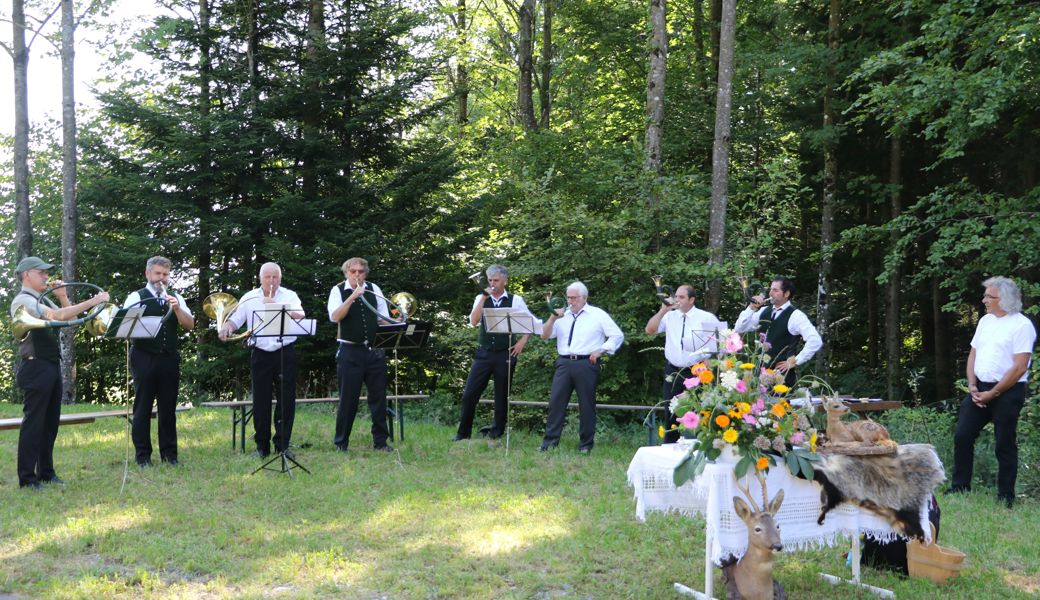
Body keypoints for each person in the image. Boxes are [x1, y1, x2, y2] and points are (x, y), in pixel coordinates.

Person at [11, 256, 109, 489]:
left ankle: (46, 472)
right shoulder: (24, 300)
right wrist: (95, 300)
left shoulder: (40, 298)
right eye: (41, 272)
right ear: (27, 275)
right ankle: (27, 478)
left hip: (49, 365)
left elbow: (71, 319)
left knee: (50, 423)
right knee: (34, 424)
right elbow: (57, 317)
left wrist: (63, 296)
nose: (46, 276)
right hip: (35, 367)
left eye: (47, 272)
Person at [949, 276, 1036, 508]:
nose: (984, 299)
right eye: (985, 295)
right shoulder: (986, 321)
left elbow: (1019, 367)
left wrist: (994, 393)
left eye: (990, 296)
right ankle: (959, 486)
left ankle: (1005, 496)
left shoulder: (1022, 325)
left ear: (1005, 300)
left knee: (1004, 443)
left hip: (1007, 392)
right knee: (963, 436)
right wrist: (973, 385)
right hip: (980, 389)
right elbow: (973, 354)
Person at [219, 262, 305, 458]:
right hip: (260, 353)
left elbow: (300, 315)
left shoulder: (289, 295)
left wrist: (274, 306)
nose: (272, 281)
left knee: (286, 401)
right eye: (268, 277)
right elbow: (235, 319)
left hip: (285, 351)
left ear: (280, 278)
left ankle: (283, 446)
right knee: (261, 401)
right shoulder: (249, 297)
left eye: (275, 277)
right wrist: (227, 328)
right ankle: (261, 447)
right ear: (261, 278)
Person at [122, 256, 195, 466]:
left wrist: (178, 309)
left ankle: (170, 455)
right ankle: (143, 456)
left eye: (165, 275)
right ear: (148, 274)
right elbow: (124, 325)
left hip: (169, 358)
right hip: (144, 355)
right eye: (157, 274)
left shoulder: (176, 297)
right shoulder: (136, 296)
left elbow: (189, 325)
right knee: (143, 407)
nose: (161, 279)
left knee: (168, 408)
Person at [539, 281, 624, 454]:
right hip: (564, 362)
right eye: (568, 297)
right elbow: (544, 335)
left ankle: (585, 444)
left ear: (584, 297)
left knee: (586, 404)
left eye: (574, 298)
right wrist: (552, 317)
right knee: (556, 402)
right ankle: (549, 443)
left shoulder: (597, 315)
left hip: (586, 363)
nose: (570, 301)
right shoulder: (562, 315)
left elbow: (617, 335)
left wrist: (601, 350)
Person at [454, 265, 532, 441]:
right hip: (484, 352)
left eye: (496, 280)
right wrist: (483, 298)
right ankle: (462, 433)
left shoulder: (515, 300)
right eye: (490, 280)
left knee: (501, 395)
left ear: (505, 281)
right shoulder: (480, 298)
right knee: (469, 394)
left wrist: (522, 341)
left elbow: (530, 322)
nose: (492, 284)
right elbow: (473, 322)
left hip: (506, 353)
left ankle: (497, 433)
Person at [327, 258, 393, 453]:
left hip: (374, 351)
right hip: (350, 352)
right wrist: (352, 297)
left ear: (366, 273)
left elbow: (382, 318)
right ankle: (341, 443)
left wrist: (398, 322)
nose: (357, 275)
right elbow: (335, 317)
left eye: (361, 272)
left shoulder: (374, 289)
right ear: (346, 273)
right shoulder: (337, 290)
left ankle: (380, 442)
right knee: (348, 400)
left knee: (379, 398)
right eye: (353, 271)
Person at [644, 284, 720, 443]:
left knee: (699, 410)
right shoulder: (669, 316)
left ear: (692, 300)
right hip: (673, 370)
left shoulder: (706, 318)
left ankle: (701, 446)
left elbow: (719, 345)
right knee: (671, 410)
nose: (677, 300)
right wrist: (663, 310)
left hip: (696, 371)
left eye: (681, 297)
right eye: (676, 296)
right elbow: (649, 330)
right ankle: (670, 446)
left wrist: (708, 362)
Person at [733, 277, 822, 386]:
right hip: (759, 375)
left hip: (781, 378)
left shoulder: (796, 315)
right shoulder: (763, 311)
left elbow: (815, 340)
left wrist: (795, 361)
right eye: (771, 289)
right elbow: (739, 328)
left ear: (786, 294)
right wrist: (751, 308)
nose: (770, 293)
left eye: (775, 290)